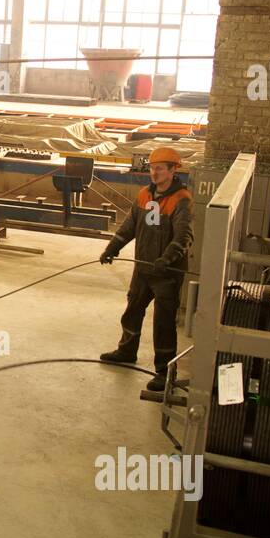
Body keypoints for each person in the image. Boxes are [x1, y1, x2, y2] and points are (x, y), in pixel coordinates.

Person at [98, 147, 193, 392]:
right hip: (142, 268)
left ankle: (164, 371)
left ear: (173, 170)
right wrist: (112, 248)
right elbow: (130, 225)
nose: (154, 172)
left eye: (160, 168)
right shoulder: (144, 195)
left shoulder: (181, 199)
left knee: (163, 322)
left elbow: (183, 236)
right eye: (152, 168)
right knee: (133, 310)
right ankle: (126, 351)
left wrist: (167, 259)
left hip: (166, 273)